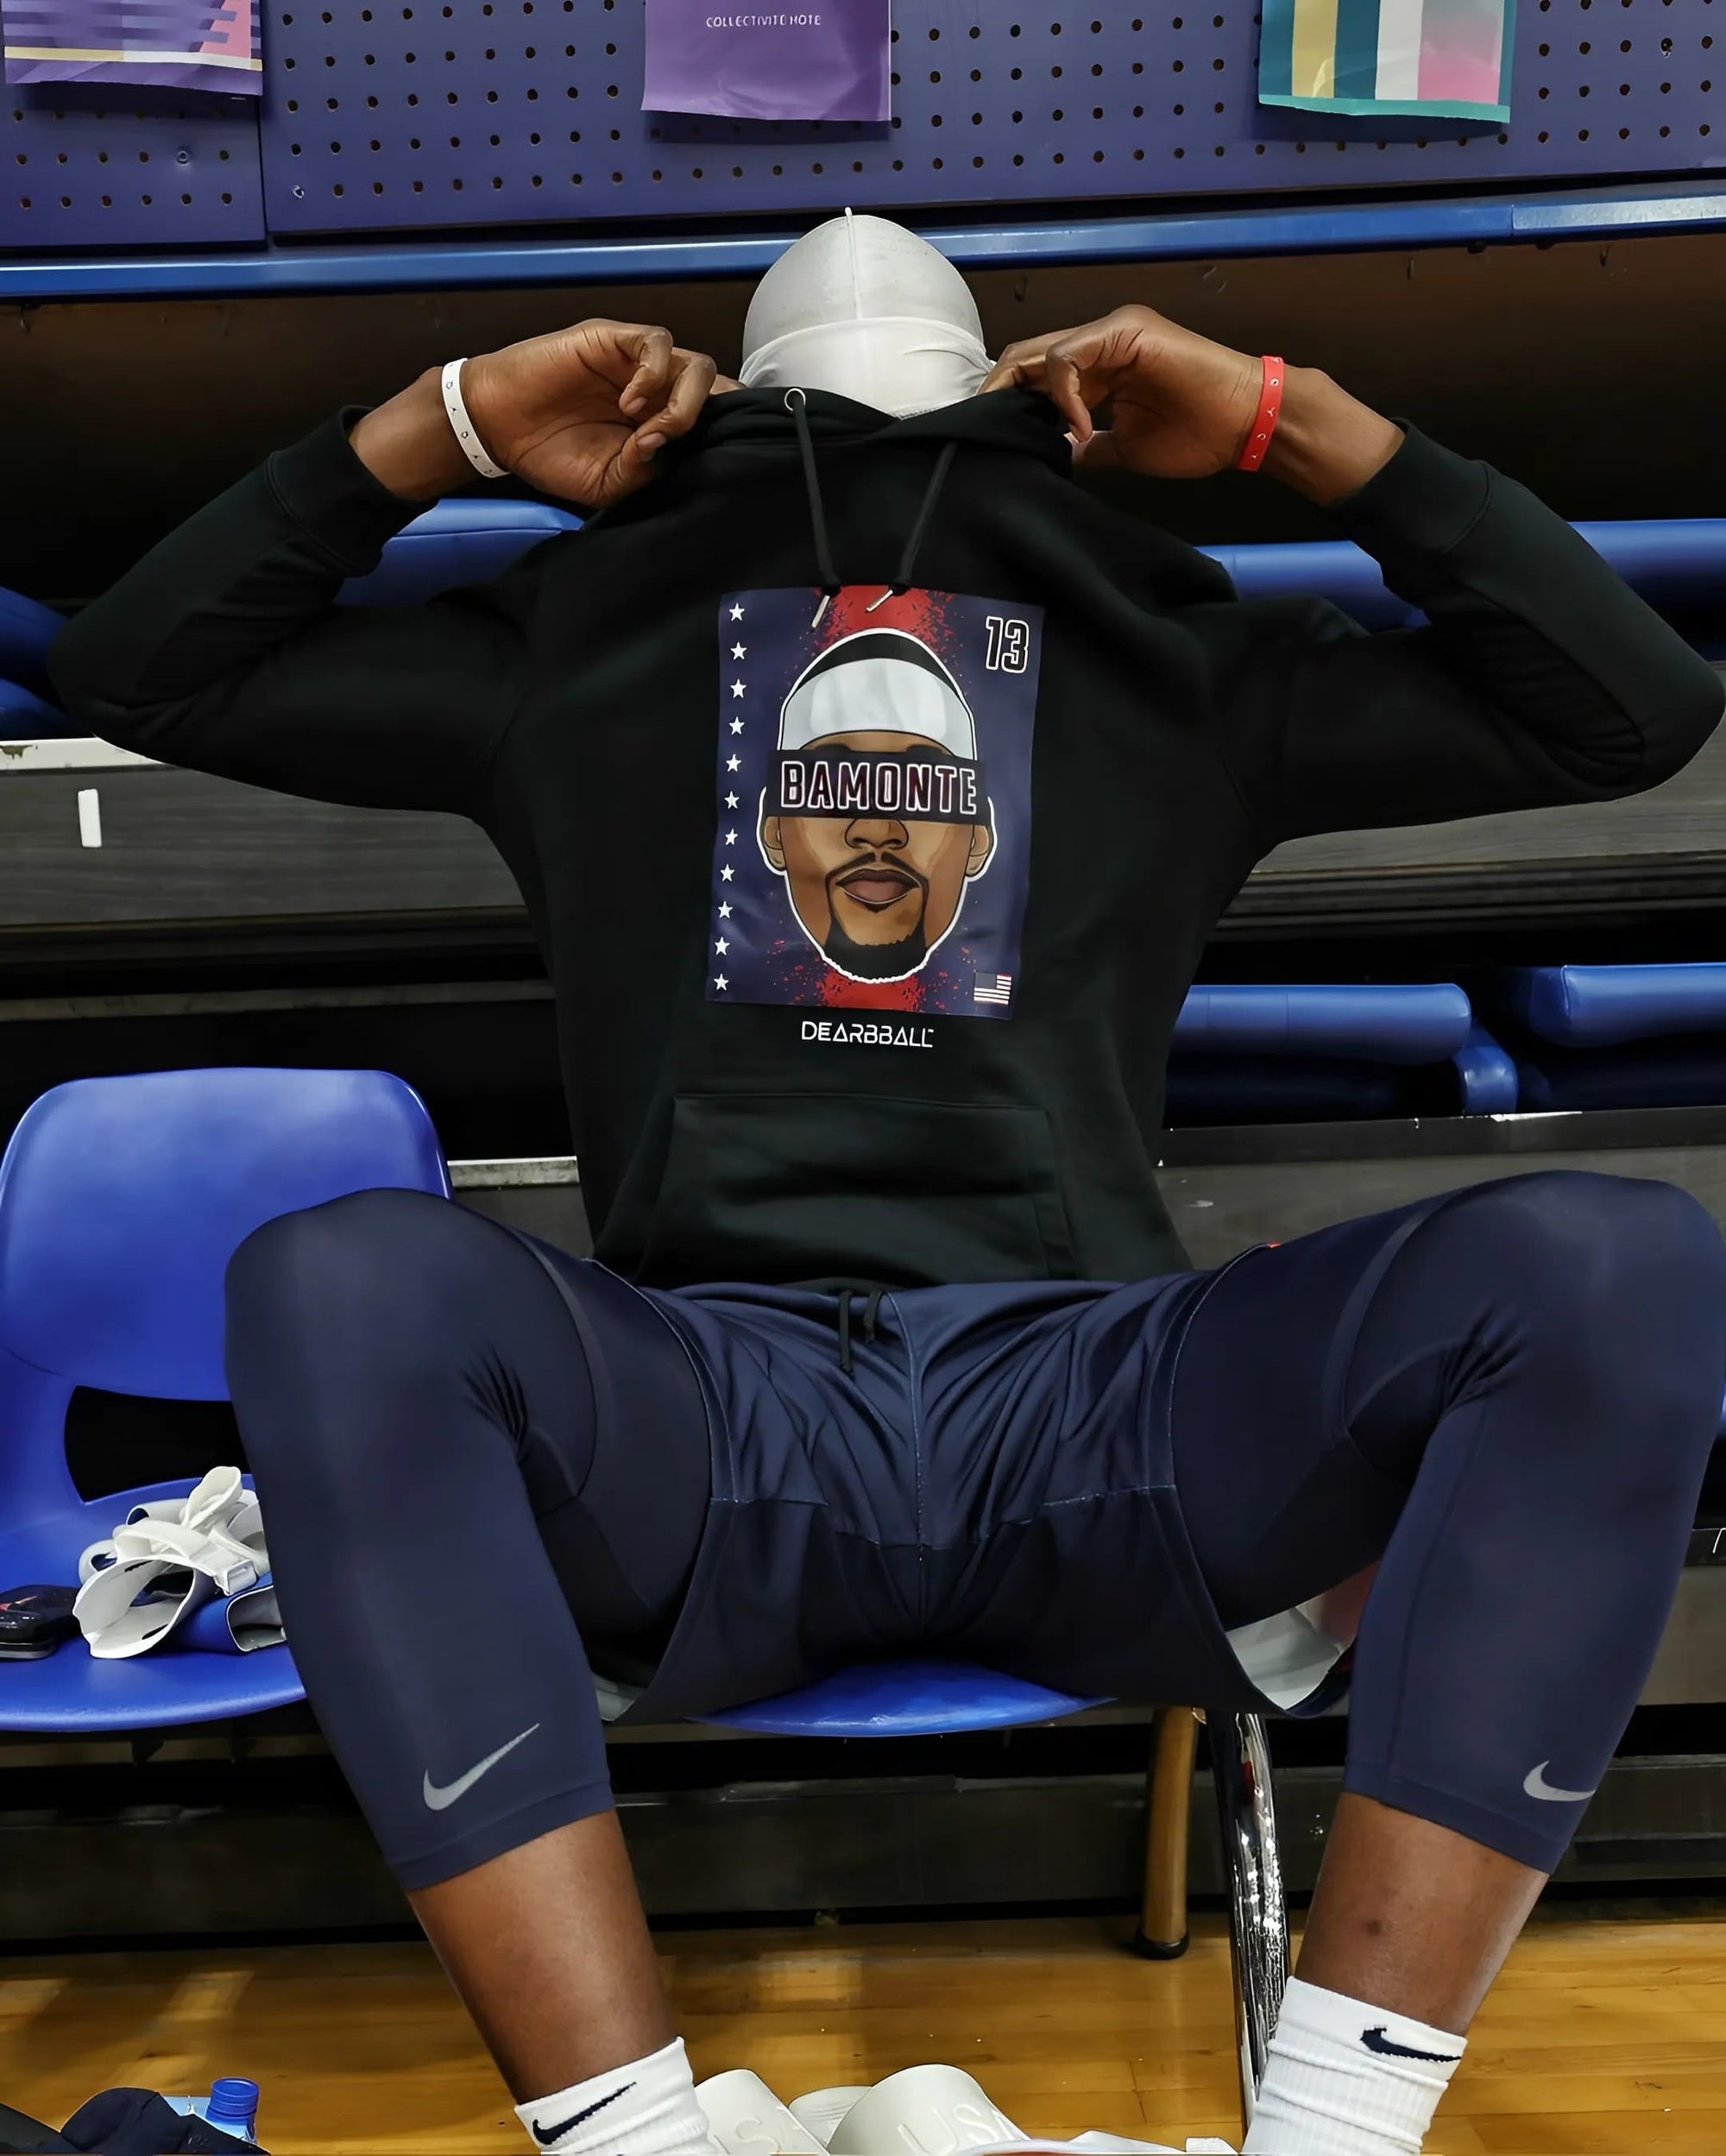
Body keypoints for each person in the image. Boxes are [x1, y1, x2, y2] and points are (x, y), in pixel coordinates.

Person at [49, 212, 1726, 2156]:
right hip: (714, 1418)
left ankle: (1335, 2140)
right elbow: (137, 670)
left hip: (1090, 1408)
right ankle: (644, 2147)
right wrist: (454, 419)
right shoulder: (588, 642)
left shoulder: (1160, 655)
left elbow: (1634, 710)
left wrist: (1288, 414)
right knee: (337, 1273)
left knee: (1611, 1262)